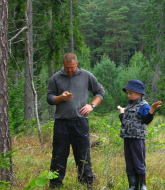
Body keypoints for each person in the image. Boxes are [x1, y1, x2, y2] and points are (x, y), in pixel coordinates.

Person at [47, 53, 105, 189]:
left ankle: (86, 182)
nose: (70, 70)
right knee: (59, 154)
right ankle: (55, 183)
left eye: (72, 67)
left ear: (76, 64)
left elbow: (100, 92)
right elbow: (49, 98)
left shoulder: (86, 75)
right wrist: (60, 98)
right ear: (63, 65)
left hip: (80, 122)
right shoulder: (56, 78)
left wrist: (92, 105)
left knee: (83, 153)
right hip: (61, 122)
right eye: (67, 67)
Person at [117, 79, 162, 190]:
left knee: (138, 162)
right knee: (129, 163)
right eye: (127, 93)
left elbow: (146, 120)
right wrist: (122, 113)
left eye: (130, 93)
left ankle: (142, 185)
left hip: (137, 139)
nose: (128, 95)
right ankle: (132, 186)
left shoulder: (144, 106)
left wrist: (151, 110)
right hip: (127, 138)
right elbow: (125, 122)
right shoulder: (129, 106)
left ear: (139, 93)